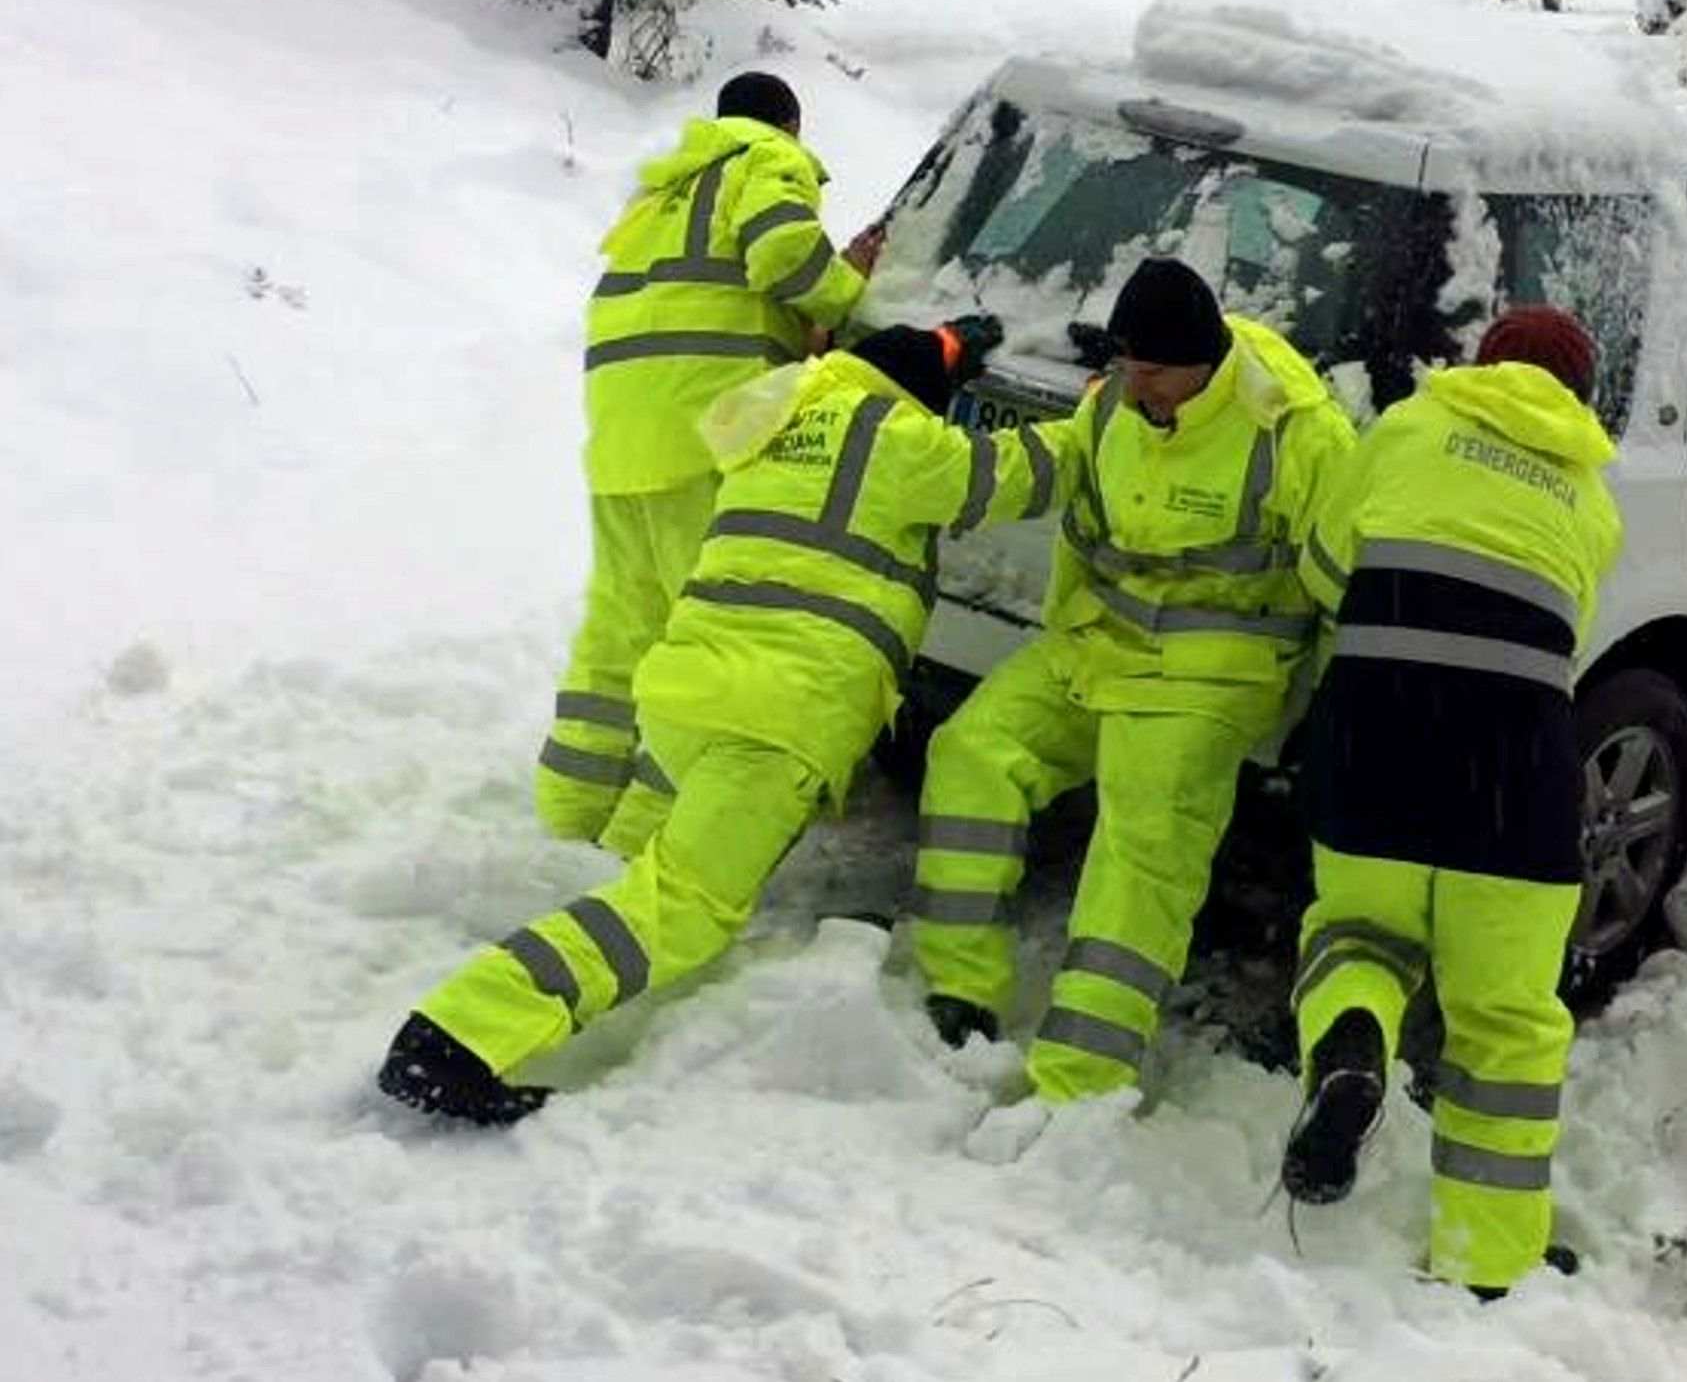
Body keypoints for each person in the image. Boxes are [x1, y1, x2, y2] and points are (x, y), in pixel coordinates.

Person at [379, 315, 1071, 1125]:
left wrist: (949, 340)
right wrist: (1112, 404)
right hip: (778, 711)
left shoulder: (782, 420)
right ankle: (456, 1037)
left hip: (693, 689)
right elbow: (1015, 471)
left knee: (657, 860)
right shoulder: (896, 438)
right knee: (686, 905)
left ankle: (547, 939)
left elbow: (897, 367)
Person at [908, 258, 1356, 1103]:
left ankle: (1081, 1077)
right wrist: (909, 472)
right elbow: (1044, 472)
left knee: (1139, 842)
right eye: (1126, 366)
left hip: (1209, 677)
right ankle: (958, 986)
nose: (1135, 385)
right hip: (1094, 648)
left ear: (1206, 360)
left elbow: (1345, 585)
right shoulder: (1111, 399)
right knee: (971, 751)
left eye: (1153, 371)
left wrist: (1338, 713)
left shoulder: (1296, 434)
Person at [1277, 305, 1623, 1299]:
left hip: (1374, 739)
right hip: (1514, 774)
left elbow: (1323, 563)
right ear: (1579, 398)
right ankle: (1486, 1260)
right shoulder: (1592, 502)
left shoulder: (1406, 427)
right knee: (1506, 1017)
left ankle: (1349, 1037)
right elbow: (1565, 634)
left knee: (1357, 932)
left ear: (1481, 366)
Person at [539, 71, 885, 851]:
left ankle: (568, 811)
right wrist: (851, 298)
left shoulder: (662, 193)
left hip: (622, 435)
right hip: (707, 432)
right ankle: (643, 837)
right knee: (710, 632)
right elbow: (786, 259)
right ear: (789, 123)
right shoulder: (768, 158)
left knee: (621, 624)